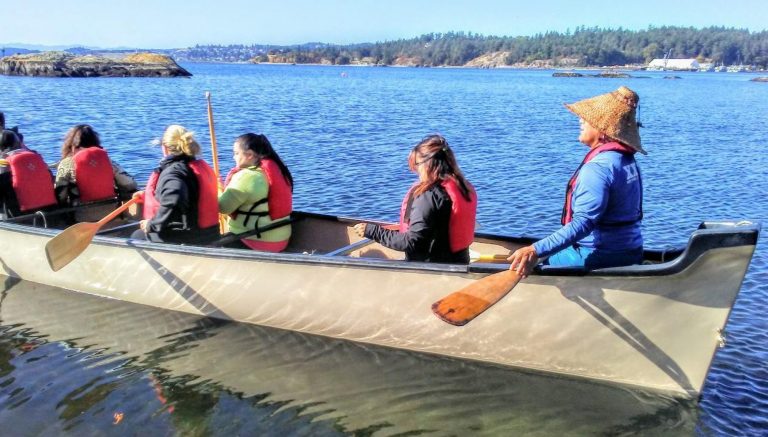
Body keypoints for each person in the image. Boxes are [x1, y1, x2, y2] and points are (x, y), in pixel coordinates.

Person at [508, 86, 645, 277]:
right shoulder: (627, 161)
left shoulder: (598, 168)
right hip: (632, 251)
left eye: (587, 118)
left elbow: (583, 223)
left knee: (535, 263)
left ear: (602, 130)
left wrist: (535, 250)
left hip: (599, 255)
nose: (581, 120)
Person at [353, 134, 477, 263]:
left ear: (427, 164)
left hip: (430, 269)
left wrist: (373, 231)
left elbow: (412, 242)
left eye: (417, 165)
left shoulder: (428, 196)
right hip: (460, 264)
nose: (416, 171)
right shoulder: (463, 188)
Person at [132, 125, 220, 244]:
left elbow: (173, 200)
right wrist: (146, 196)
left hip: (186, 239)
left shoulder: (174, 173)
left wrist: (152, 224)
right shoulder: (193, 167)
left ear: (165, 148)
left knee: (136, 236)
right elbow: (191, 196)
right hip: (209, 235)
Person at [218, 133, 293, 251]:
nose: (234, 157)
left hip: (255, 241)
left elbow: (223, 207)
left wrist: (217, 189)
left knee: (207, 244)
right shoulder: (278, 170)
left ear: (249, 155)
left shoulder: (247, 176)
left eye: (236, 153)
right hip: (281, 240)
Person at [54, 124, 138, 206]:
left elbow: (60, 195)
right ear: (95, 142)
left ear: (71, 145)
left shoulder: (66, 163)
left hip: (81, 213)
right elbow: (130, 184)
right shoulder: (107, 160)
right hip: (111, 210)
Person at [0, 130, 57, 219]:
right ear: (19, 143)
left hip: (20, 216)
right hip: (49, 210)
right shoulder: (36, 157)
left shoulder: (3, 162)